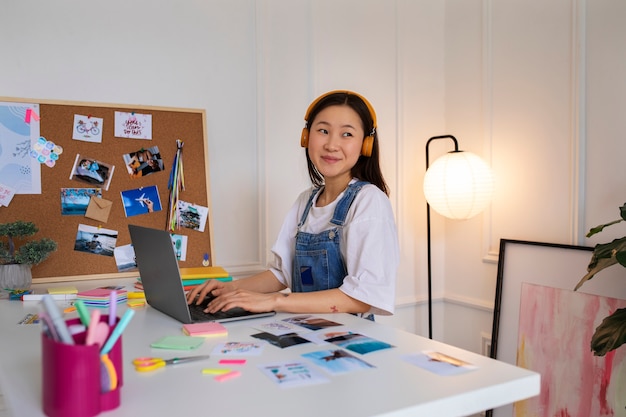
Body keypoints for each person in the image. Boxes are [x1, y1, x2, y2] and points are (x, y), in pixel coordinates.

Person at [187, 90, 399, 317]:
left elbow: (363, 298)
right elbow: (282, 274)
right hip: (307, 330)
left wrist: (274, 301)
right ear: (306, 137)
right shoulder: (306, 201)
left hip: (347, 340)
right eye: (323, 131)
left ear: (366, 144)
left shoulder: (369, 201)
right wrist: (228, 288)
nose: (331, 144)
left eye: (346, 134)